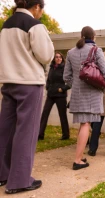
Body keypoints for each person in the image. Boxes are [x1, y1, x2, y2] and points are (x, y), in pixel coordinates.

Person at [0, 0, 54, 194]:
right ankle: (20, 180)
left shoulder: (6, 25)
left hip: (8, 81)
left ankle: (2, 174)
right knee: (27, 132)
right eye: (41, 9)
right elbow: (46, 55)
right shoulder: (34, 25)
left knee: (5, 130)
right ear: (37, 7)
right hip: (29, 83)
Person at [63, 26, 105, 170]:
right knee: (86, 124)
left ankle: (80, 155)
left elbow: (66, 77)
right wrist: (102, 87)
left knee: (82, 124)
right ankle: (77, 160)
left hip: (77, 94)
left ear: (82, 36)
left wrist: (76, 85)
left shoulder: (71, 52)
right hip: (92, 94)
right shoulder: (96, 50)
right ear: (94, 37)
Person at [38, 52, 70, 140]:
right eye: (56, 57)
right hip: (51, 94)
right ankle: (40, 134)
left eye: (60, 57)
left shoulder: (65, 68)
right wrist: (48, 87)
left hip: (60, 95)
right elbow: (48, 79)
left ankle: (66, 135)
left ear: (62, 59)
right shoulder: (52, 67)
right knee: (45, 113)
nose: (58, 59)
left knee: (62, 115)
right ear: (54, 59)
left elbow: (71, 81)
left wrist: (63, 89)